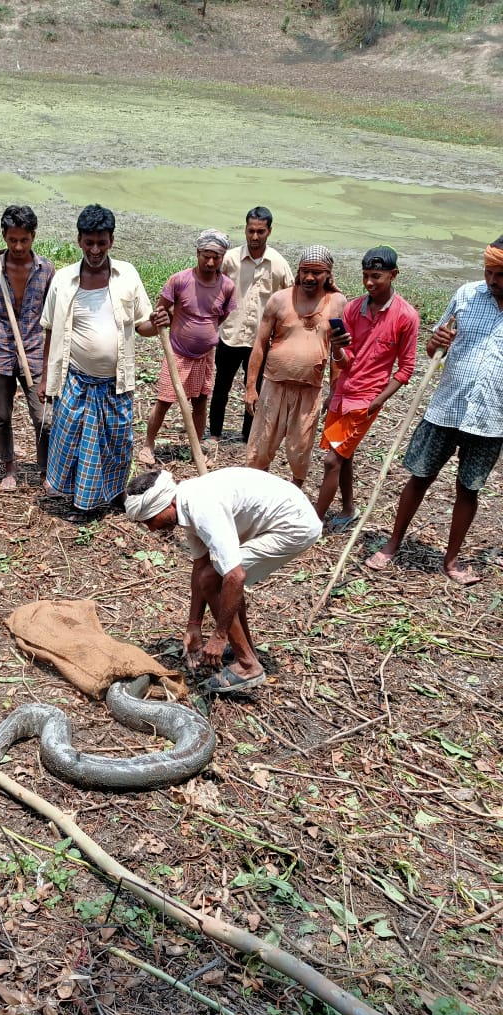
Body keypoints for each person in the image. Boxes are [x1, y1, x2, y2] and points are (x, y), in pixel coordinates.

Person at [366, 238, 503, 585]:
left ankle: (451, 560)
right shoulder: (467, 295)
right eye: (489, 272)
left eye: (500, 275)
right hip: (447, 407)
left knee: (468, 489)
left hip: (490, 416)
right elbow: (432, 349)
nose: (492, 280)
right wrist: (437, 341)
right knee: (420, 476)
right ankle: (392, 544)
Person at [124, 468, 321, 693]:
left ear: (166, 505)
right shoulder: (185, 504)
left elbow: (234, 576)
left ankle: (248, 665)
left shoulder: (202, 509)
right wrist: (193, 626)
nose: (151, 528)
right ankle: (245, 652)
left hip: (294, 525)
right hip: (280, 518)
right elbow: (200, 566)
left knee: (218, 579)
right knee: (213, 576)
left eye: (150, 520)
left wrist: (219, 636)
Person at [39, 204, 164, 516]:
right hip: (76, 379)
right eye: (89, 242)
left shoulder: (128, 276)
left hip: (116, 382)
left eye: (102, 243)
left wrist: (159, 321)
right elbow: (50, 331)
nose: (95, 250)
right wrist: (45, 378)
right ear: (79, 240)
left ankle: (115, 493)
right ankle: (77, 496)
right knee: (71, 439)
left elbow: (143, 327)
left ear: (112, 240)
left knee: (117, 442)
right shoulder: (63, 281)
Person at [314, 246, 419, 530]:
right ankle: (348, 509)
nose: (369, 283)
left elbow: (406, 369)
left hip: (366, 400)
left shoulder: (406, 316)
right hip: (343, 393)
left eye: (376, 276)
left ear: (393, 275)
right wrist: (336, 351)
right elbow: (345, 360)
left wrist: (377, 401)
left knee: (331, 460)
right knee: (343, 457)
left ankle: (312, 522)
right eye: (365, 276)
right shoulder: (352, 309)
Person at [245, 246, 346, 488]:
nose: (309, 277)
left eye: (317, 272)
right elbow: (259, 344)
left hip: (309, 390)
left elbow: (337, 351)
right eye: (305, 271)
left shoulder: (337, 303)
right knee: (261, 445)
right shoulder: (280, 300)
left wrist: (334, 392)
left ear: (328, 275)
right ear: (298, 271)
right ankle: (253, 492)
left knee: (300, 449)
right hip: (273, 385)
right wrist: (251, 386)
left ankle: (293, 493)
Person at [138, 229, 236, 467]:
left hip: (205, 357)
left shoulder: (227, 286)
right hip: (178, 355)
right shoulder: (179, 280)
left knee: (201, 402)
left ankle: (196, 448)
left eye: (216, 257)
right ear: (197, 253)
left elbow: (219, 317)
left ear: (222, 258)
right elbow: (160, 313)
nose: (211, 262)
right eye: (206, 256)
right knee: (164, 401)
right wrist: (161, 321)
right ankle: (148, 445)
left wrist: (204, 334)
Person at [0, 205, 55, 490]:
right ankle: (9, 468)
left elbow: (52, 322)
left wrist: (51, 367)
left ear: (34, 236)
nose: (18, 246)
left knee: (43, 418)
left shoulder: (45, 269)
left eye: (24, 239)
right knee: (1, 415)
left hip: (34, 351)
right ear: (4, 236)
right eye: (12, 240)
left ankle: (45, 470)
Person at [209, 207, 294, 443]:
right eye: (251, 231)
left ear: (269, 231)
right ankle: (214, 433)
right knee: (221, 386)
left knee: (255, 388)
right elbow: (211, 283)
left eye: (260, 231)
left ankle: (248, 435)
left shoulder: (278, 264)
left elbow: (292, 298)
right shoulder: (229, 259)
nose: (255, 237)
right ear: (245, 229)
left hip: (261, 339)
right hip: (230, 334)